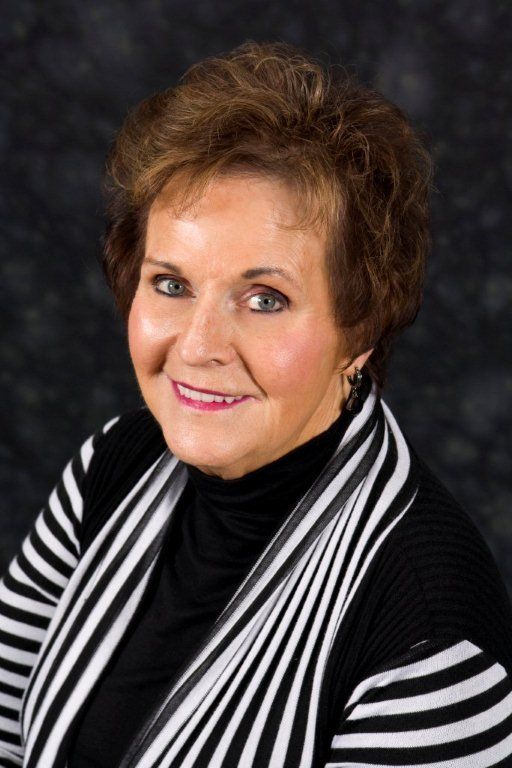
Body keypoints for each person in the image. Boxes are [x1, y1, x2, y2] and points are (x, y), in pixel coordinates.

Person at [1, 41, 511, 768]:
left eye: (265, 299)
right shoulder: (110, 468)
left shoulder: (426, 624)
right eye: (171, 284)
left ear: (360, 331)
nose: (199, 345)